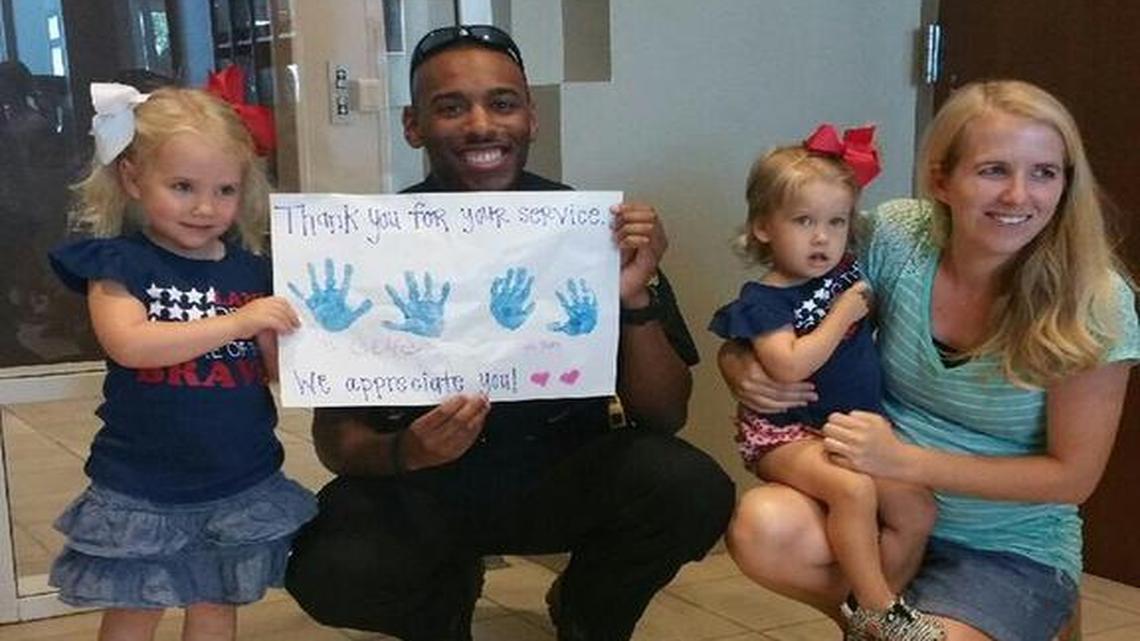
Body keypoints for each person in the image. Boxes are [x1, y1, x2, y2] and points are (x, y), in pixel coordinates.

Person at [284, 24, 735, 641]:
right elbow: (337, 442)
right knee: (331, 571)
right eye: (450, 107)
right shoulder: (367, 244)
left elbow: (664, 414)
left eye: (502, 103)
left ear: (531, 117)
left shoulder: (590, 232)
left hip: (562, 466)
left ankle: (588, 610)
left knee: (693, 489)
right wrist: (405, 452)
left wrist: (633, 296)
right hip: (421, 479)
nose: (480, 125)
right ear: (413, 126)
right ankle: (441, 611)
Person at [719, 80, 1139, 641]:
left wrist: (903, 461)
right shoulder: (898, 236)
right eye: (993, 170)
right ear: (942, 179)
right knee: (761, 525)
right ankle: (877, 619)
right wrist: (737, 362)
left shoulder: (1096, 300)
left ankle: (1004, 617)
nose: (1019, 195)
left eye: (1044, 172)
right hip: (884, 514)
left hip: (1005, 549)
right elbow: (790, 296)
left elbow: (1073, 478)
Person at [47, 84, 317, 641]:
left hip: (237, 476)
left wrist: (276, 338)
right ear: (132, 179)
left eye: (224, 190)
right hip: (143, 482)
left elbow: (268, 368)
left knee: (216, 600)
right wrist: (240, 322)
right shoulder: (120, 263)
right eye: (182, 187)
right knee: (136, 606)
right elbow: (131, 344)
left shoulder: (248, 271)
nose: (204, 207)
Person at [709, 124, 942, 641]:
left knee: (916, 509)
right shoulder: (763, 300)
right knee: (853, 491)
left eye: (836, 222)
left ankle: (870, 612)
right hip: (787, 435)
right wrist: (841, 317)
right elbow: (789, 365)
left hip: (851, 430)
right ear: (764, 227)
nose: (822, 237)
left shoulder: (844, 272)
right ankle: (883, 610)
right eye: (804, 221)